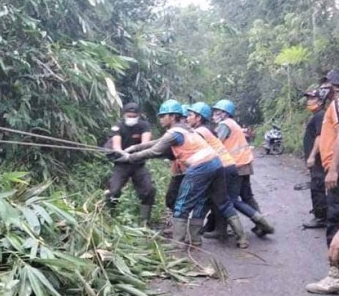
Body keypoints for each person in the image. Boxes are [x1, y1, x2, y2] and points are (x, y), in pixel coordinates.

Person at [116, 99, 222, 247]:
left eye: (163, 116)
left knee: (182, 203)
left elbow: (155, 151)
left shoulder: (174, 133)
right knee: (200, 201)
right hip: (214, 163)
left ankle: (177, 242)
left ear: (172, 117)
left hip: (200, 166)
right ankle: (195, 239)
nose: (160, 119)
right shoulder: (184, 128)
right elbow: (158, 142)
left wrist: (130, 157)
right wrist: (134, 147)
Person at [306, 69, 339, 294]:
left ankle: (336, 275)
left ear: (337, 86)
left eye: (328, 85)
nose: (323, 89)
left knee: (337, 221)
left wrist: (332, 170)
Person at [186, 102, 249, 248]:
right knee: (224, 202)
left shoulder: (200, 132)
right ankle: (242, 238)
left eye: (190, 115)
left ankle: (195, 238)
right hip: (227, 166)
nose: (187, 118)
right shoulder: (209, 130)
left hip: (218, 168)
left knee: (204, 201)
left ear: (199, 117)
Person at [212, 99, 274, 237]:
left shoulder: (224, 125)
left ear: (225, 113)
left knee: (231, 199)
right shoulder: (233, 124)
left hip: (235, 165)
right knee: (247, 196)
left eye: (218, 111)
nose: (215, 114)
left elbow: (216, 144)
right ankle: (261, 224)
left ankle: (261, 224)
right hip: (245, 163)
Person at [105, 102, 156, 225]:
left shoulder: (144, 126)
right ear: (124, 115)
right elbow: (116, 146)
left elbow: (145, 145)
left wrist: (133, 153)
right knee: (113, 191)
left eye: (134, 116)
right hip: (122, 164)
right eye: (129, 116)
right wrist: (124, 154)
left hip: (138, 164)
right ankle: (111, 217)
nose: (131, 118)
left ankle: (145, 221)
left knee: (149, 190)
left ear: (138, 115)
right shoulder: (118, 127)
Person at [302, 87, 327, 228]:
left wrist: (312, 156)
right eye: (308, 98)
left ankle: (321, 218)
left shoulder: (320, 115)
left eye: (312, 98)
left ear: (321, 100)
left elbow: (320, 136)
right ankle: (321, 213)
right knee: (317, 185)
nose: (309, 101)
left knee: (317, 187)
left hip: (318, 159)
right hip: (317, 159)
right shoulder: (318, 115)